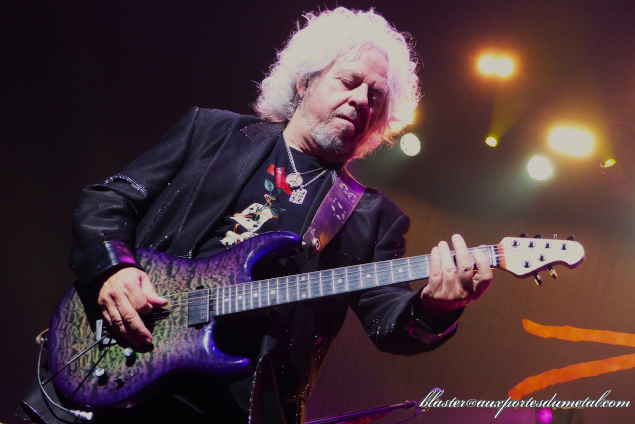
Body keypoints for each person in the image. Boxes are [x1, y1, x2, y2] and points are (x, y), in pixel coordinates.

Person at [22, 7, 492, 424]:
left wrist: (437, 309)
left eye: (376, 96)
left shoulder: (371, 216)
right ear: (305, 82)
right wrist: (114, 269)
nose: (360, 100)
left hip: (232, 409)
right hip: (111, 367)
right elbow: (107, 201)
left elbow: (390, 323)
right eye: (349, 82)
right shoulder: (212, 133)